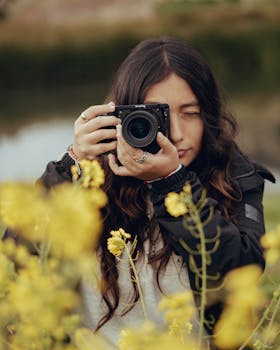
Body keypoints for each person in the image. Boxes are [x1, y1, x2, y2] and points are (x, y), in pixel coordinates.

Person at [38, 37, 275, 346]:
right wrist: (73, 164)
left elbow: (242, 269)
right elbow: (23, 258)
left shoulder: (233, 177)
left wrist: (172, 182)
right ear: (120, 116)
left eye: (190, 113)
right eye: (156, 116)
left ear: (209, 116)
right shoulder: (89, 178)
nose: (175, 134)